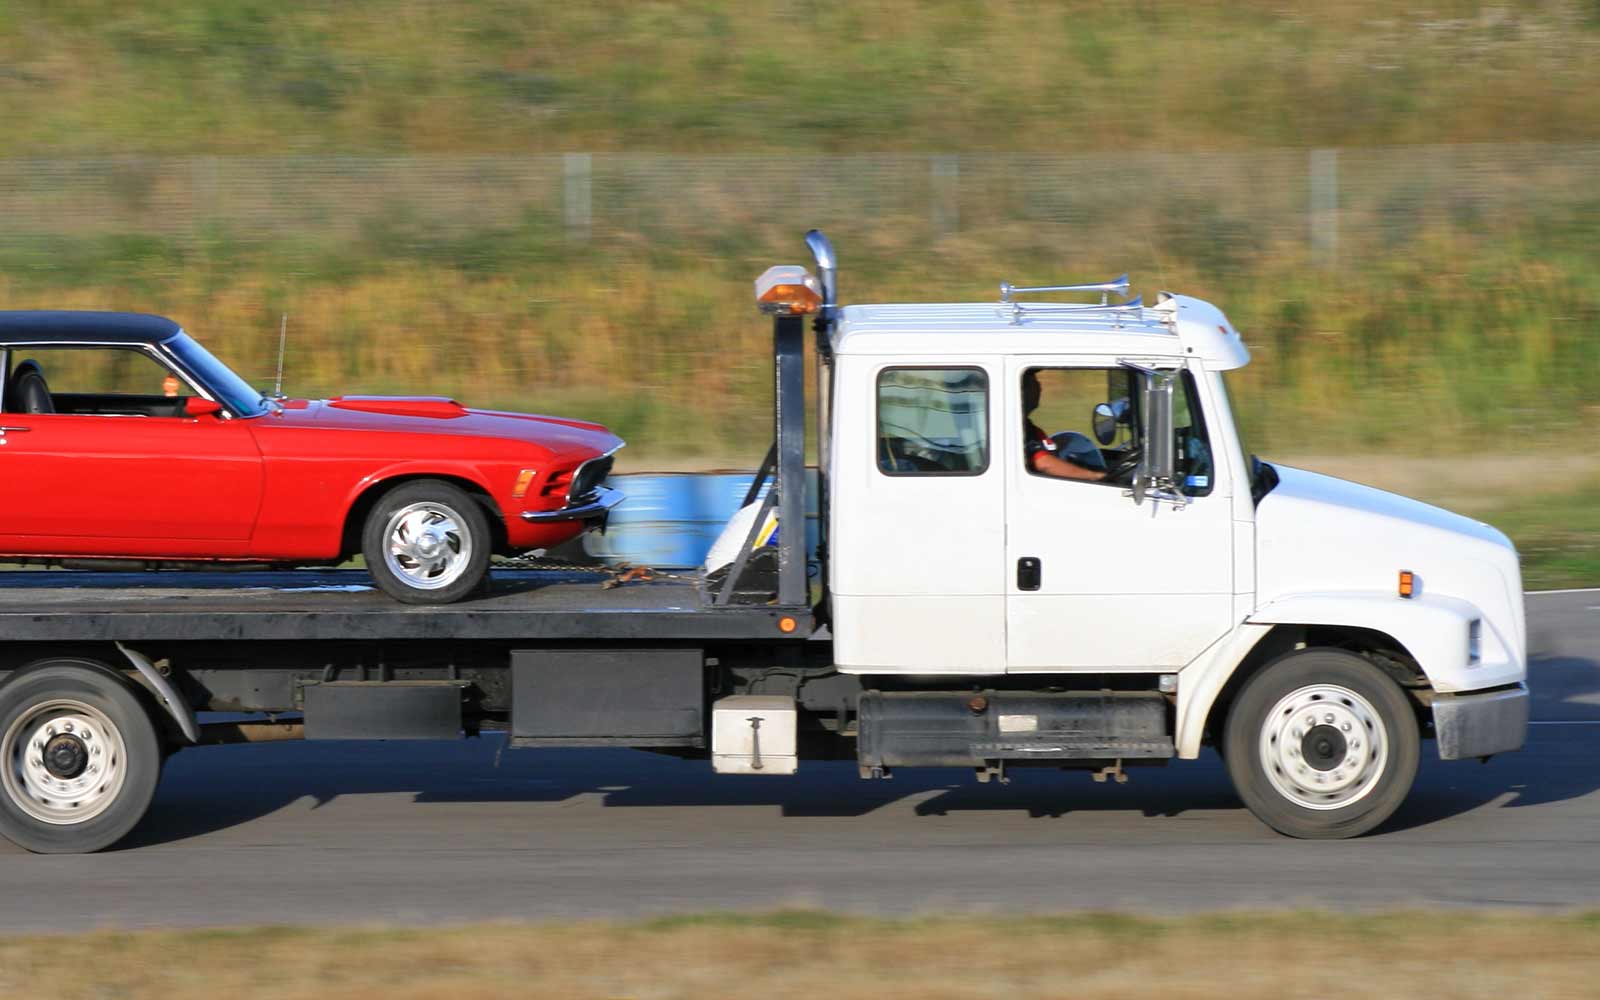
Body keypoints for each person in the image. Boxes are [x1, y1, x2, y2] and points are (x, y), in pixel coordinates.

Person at [1022, 370, 1106, 482]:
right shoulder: (1016, 430)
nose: (1039, 388)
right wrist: (1097, 477)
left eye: (1038, 383)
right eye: (1033, 383)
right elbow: (1045, 464)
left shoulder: (1029, 427)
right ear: (1021, 391)